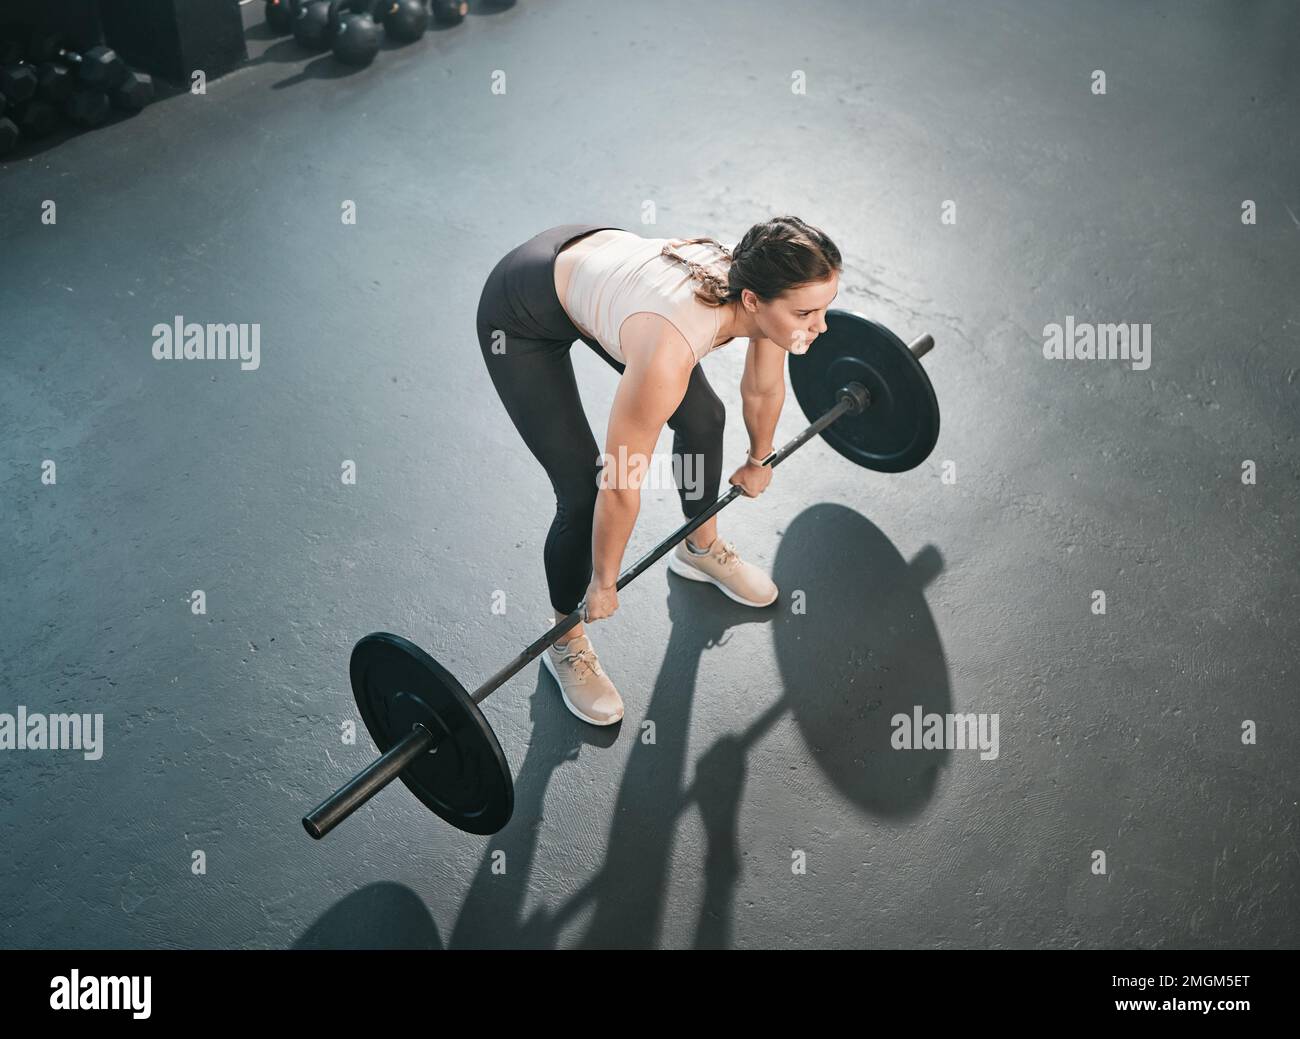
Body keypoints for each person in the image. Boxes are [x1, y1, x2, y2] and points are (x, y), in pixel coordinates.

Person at [475, 216, 842, 725]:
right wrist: (603, 581)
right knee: (583, 493)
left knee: (705, 418)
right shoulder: (671, 346)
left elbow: (760, 388)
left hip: (601, 269)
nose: (820, 326)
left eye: (825, 308)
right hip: (522, 312)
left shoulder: (762, 295)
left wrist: (759, 459)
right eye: (807, 313)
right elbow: (621, 481)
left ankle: (699, 547)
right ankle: (565, 637)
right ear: (754, 301)